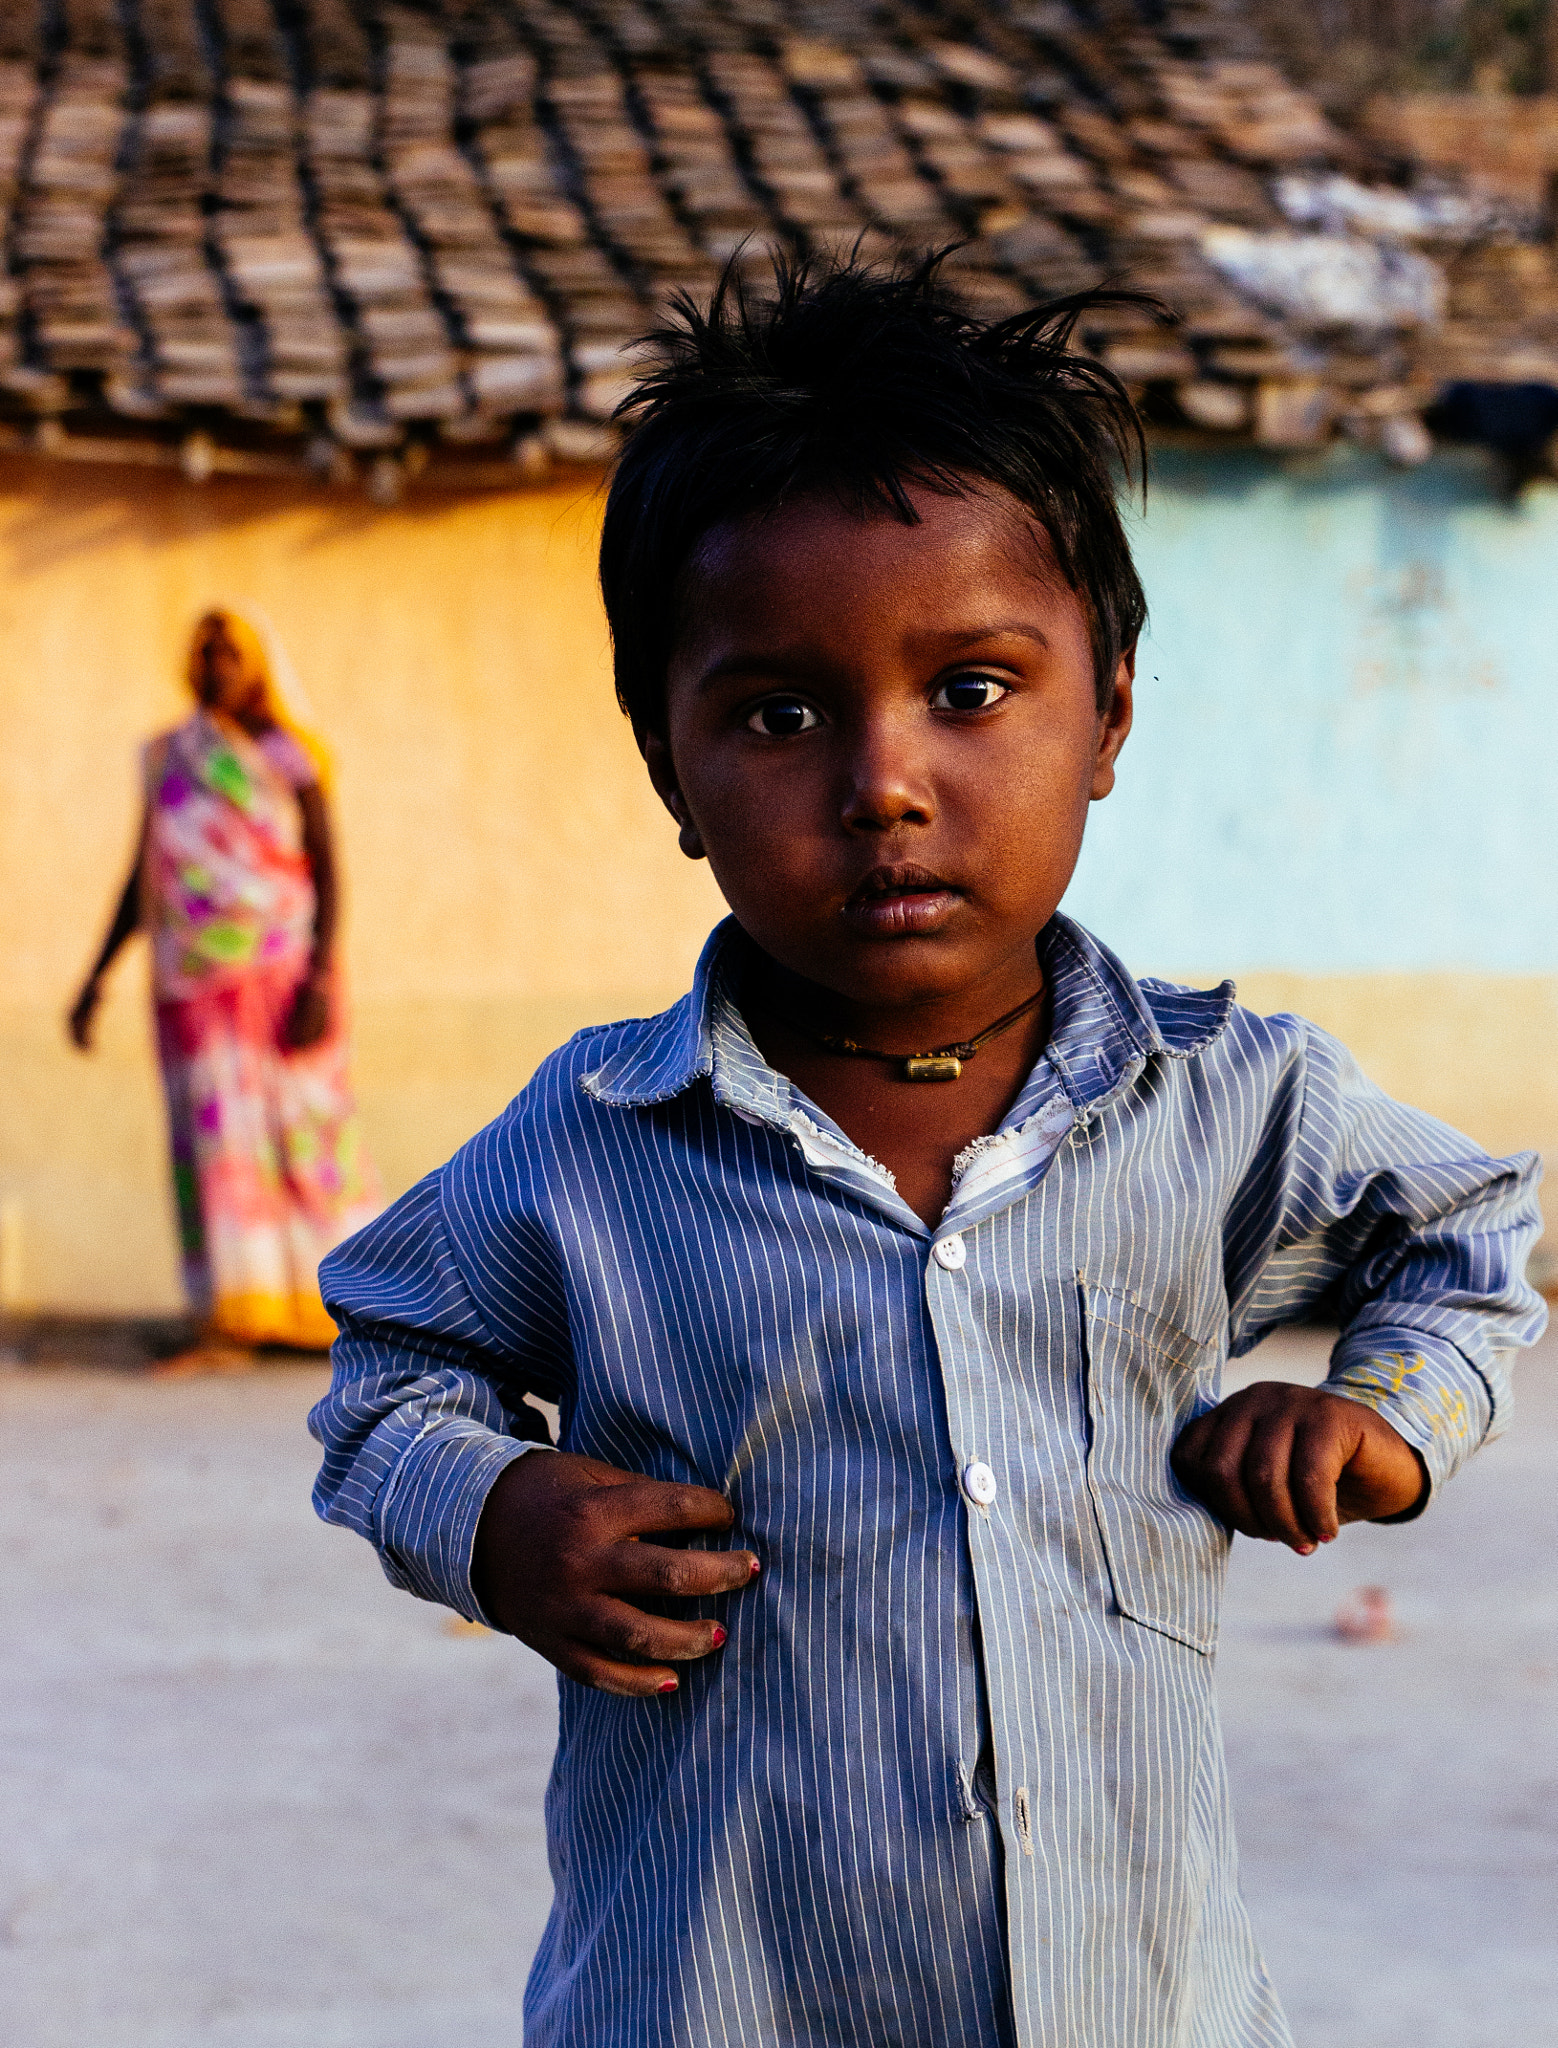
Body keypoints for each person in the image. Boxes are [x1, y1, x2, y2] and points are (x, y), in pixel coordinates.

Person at [308, 258, 1544, 2048]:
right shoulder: (586, 1150)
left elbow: (1466, 1229)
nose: (881, 779)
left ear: (1105, 709)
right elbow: (391, 1360)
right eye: (778, 715)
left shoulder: (1225, 1104)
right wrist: (485, 1509)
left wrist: (1381, 1415)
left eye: (970, 688)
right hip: (712, 2002)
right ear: (670, 763)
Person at [70, 607, 380, 1362]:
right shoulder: (169, 757)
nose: (214, 663)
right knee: (219, 1146)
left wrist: (316, 976)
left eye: (229, 651)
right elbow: (143, 879)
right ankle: (237, 1313)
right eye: (203, 650)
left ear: (258, 666)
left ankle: (330, 1309)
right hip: (194, 989)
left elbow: (329, 868)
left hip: (280, 977)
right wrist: (95, 979)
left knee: (304, 1139)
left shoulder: (287, 753)